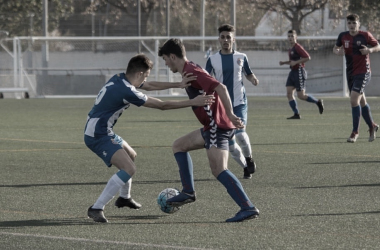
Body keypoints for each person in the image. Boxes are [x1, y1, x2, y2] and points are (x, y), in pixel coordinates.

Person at [85, 54, 215, 223]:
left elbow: (149, 85)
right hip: (98, 134)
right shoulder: (126, 90)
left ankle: (124, 198)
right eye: (145, 76)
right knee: (129, 169)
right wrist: (193, 101)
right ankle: (97, 207)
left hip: (101, 129)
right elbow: (162, 105)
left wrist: (178, 84)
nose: (146, 80)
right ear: (139, 73)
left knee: (131, 155)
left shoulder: (120, 78)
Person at [158, 38, 259, 222]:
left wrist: (229, 114)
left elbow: (220, 87)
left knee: (219, 169)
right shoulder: (188, 70)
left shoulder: (191, 70)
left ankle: (247, 207)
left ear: (173, 56)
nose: (165, 63)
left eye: (165, 59)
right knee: (178, 145)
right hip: (211, 126)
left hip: (216, 127)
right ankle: (188, 191)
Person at [205, 24, 258, 179]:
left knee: (241, 134)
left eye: (229, 37)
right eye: (223, 37)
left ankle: (249, 159)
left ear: (233, 39)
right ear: (219, 39)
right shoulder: (212, 59)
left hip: (239, 103)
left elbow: (248, 73)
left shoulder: (241, 57)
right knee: (230, 143)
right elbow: (206, 79)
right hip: (221, 106)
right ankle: (245, 167)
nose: (226, 40)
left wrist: (253, 78)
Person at [333, 14, 380, 143]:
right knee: (361, 101)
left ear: (359, 23)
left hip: (364, 72)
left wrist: (369, 50)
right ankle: (372, 126)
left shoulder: (365, 35)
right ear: (347, 24)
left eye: (354, 23)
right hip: (350, 73)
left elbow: (378, 46)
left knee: (354, 99)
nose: (352, 25)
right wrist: (338, 52)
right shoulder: (343, 36)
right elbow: (335, 48)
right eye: (349, 23)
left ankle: (355, 132)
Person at [279, 30, 324, 119]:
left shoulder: (298, 47)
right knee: (289, 93)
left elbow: (307, 57)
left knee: (301, 96)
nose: (290, 38)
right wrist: (284, 62)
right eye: (289, 36)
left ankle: (317, 102)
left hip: (299, 71)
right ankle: (296, 114)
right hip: (292, 72)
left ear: (296, 37)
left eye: (292, 36)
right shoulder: (290, 49)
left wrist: (296, 62)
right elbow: (293, 62)